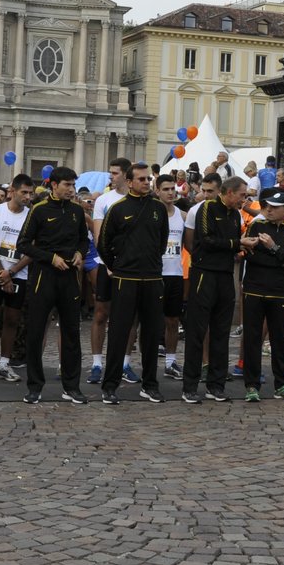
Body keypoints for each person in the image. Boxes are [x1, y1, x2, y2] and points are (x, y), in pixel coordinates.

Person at [16, 167, 89, 404]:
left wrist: (79, 253)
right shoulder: (38, 210)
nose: (71, 190)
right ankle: (35, 386)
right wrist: (50, 258)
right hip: (43, 277)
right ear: (54, 185)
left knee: (71, 333)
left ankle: (72, 386)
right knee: (36, 332)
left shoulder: (77, 211)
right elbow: (24, 244)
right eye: (67, 185)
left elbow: (83, 240)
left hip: (69, 277)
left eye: (73, 185)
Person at [98, 161, 168, 404]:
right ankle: (110, 386)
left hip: (152, 277)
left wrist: (148, 262)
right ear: (129, 182)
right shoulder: (117, 209)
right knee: (119, 333)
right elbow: (103, 245)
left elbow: (161, 242)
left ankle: (150, 385)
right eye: (141, 179)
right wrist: (119, 266)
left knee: (151, 333)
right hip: (125, 278)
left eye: (148, 179)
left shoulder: (159, 208)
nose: (147, 183)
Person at [180, 176, 250, 404]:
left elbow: (231, 241)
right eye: (242, 195)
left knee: (221, 332)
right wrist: (236, 244)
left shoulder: (235, 214)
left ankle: (216, 385)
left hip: (225, 275)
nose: (244, 199)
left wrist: (238, 246)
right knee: (197, 332)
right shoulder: (207, 208)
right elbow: (205, 240)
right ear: (229, 192)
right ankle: (189, 386)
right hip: (204, 274)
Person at [239, 188, 284, 403]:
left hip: (279, 294)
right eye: (267, 206)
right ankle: (251, 385)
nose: (268, 209)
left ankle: (282, 385)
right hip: (254, 290)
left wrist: (274, 248)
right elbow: (252, 257)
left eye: (274, 207)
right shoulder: (256, 226)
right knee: (252, 339)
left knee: (279, 340)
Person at [0, 174, 33, 382]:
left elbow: (32, 249)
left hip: (19, 272)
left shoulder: (31, 216)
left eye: (30, 193)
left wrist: (11, 273)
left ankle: (4, 363)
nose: (27, 197)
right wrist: (2, 273)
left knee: (12, 320)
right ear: (13, 191)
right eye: (24, 192)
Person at [89, 157, 133, 385]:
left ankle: (125, 363)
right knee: (101, 313)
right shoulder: (104, 200)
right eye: (110, 173)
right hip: (106, 264)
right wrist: (108, 263)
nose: (110, 177)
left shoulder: (138, 200)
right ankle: (97, 363)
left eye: (114, 173)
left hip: (131, 268)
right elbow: (98, 235)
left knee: (128, 317)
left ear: (126, 175)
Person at [156, 174, 188, 379]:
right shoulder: (151, 213)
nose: (170, 193)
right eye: (165, 189)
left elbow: (189, 243)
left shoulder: (183, 216)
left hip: (175, 273)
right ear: (157, 190)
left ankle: (170, 361)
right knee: (149, 320)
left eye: (172, 189)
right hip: (153, 274)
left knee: (173, 320)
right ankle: (145, 362)